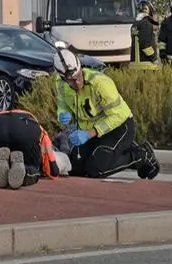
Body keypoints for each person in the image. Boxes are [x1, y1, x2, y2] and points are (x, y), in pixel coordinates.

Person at [52, 47, 161, 180]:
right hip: (91, 131)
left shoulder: (100, 83)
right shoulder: (60, 84)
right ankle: (117, 151)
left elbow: (118, 115)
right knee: (75, 168)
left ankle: (141, 155)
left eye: (78, 76)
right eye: (72, 80)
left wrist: (90, 133)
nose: (77, 82)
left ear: (80, 68)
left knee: (96, 170)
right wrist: (63, 114)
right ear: (63, 78)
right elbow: (62, 104)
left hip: (119, 127)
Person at [0, 109, 68, 189]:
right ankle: (25, 171)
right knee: (33, 170)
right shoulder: (34, 123)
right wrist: (54, 170)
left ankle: (1, 164)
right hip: (25, 127)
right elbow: (48, 148)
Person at [129, 0, 160, 70]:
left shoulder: (134, 24)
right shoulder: (146, 24)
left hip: (134, 64)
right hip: (146, 65)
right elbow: (145, 44)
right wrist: (154, 58)